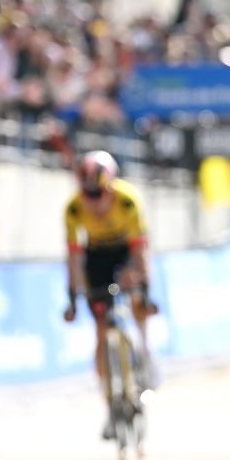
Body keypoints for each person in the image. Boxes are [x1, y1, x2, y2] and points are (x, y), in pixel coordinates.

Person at [62, 151, 154, 440]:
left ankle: (144, 354)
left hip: (125, 252)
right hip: (96, 257)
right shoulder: (74, 209)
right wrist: (73, 297)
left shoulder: (128, 200)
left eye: (99, 193)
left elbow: (140, 251)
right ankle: (110, 406)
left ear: (111, 185)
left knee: (136, 299)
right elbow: (74, 259)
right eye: (88, 195)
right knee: (101, 331)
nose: (94, 202)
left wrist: (144, 289)